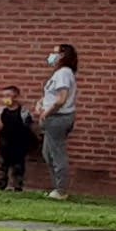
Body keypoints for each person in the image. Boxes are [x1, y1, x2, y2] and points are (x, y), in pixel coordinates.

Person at [35, 40, 79, 199]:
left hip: (58, 118)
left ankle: (61, 189)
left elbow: (61, 99)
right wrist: (40, 103)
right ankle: (56, 187)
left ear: (62, 56)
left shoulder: (64, 73)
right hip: (53, 117)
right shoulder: (59, 74)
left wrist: (47, 112)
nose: (51, 56)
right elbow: (51, 95)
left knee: (57, 153)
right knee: (48, 153)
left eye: (55, 52)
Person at [0, 84, 35, 192]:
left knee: (18, 167)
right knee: (2, 167)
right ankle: (1, 186)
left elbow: (29, 127)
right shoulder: (2, 111)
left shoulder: (23, 112)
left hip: (19, 144)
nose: (5, 98)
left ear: (15, 97)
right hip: (4, 144)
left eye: (8, 95)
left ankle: (17, 187)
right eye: (3, 96)